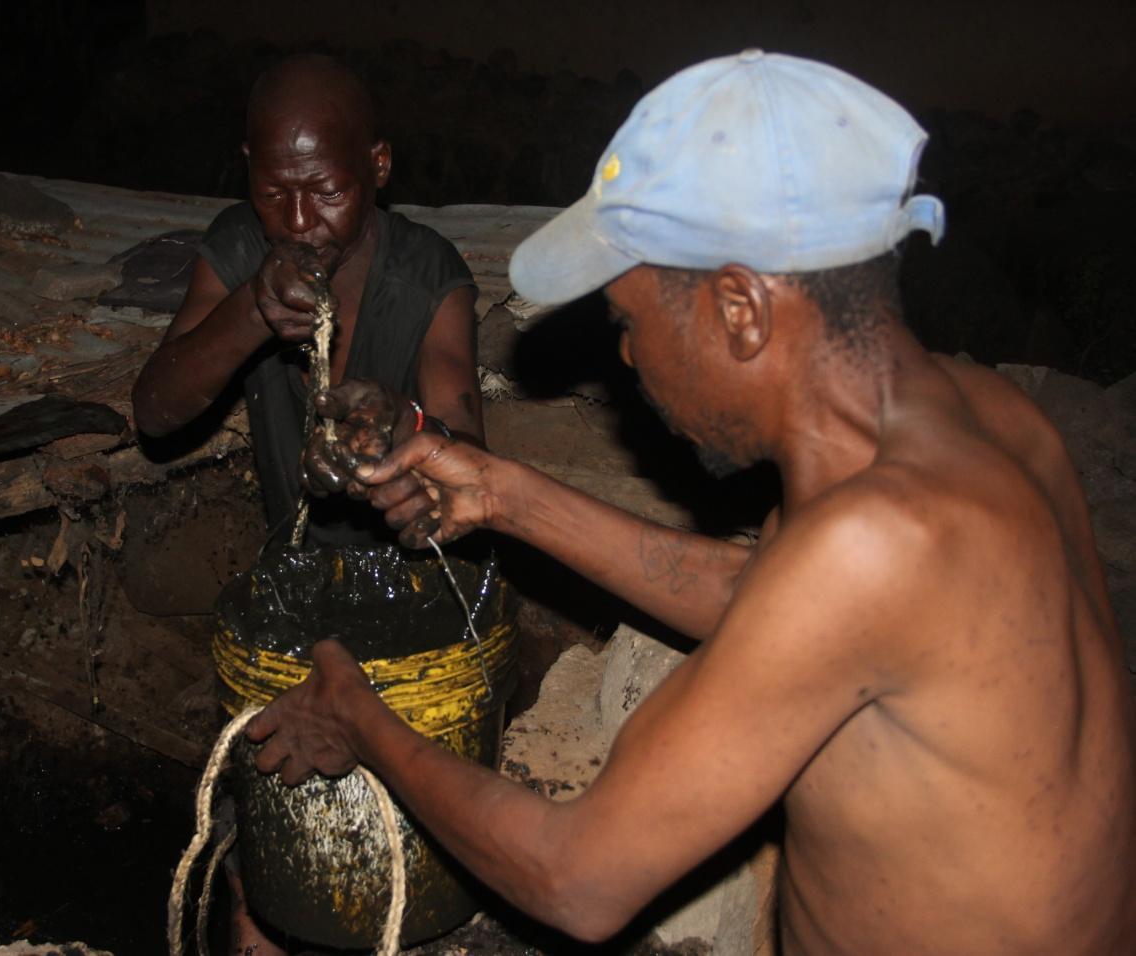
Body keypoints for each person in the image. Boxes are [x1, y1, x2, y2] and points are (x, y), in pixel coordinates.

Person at [245, 50, 1136, 954]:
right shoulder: (983, 419)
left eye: (630, 324)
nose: (627, 360)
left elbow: (575, 877)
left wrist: (362, 717)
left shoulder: (875, 541)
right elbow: (769, 597)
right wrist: (506, 496)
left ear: (740, 307)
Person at [131, 53, 484, 549]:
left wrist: (406, 422)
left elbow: (470, 455)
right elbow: (155, 411)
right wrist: (253, 308)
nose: (297, 222)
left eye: (329, 192)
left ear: (378, 164)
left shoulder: (428, 277)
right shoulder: (242, 249)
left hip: (413, 574)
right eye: (273, 194)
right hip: (292, 569)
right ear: (248, 165)